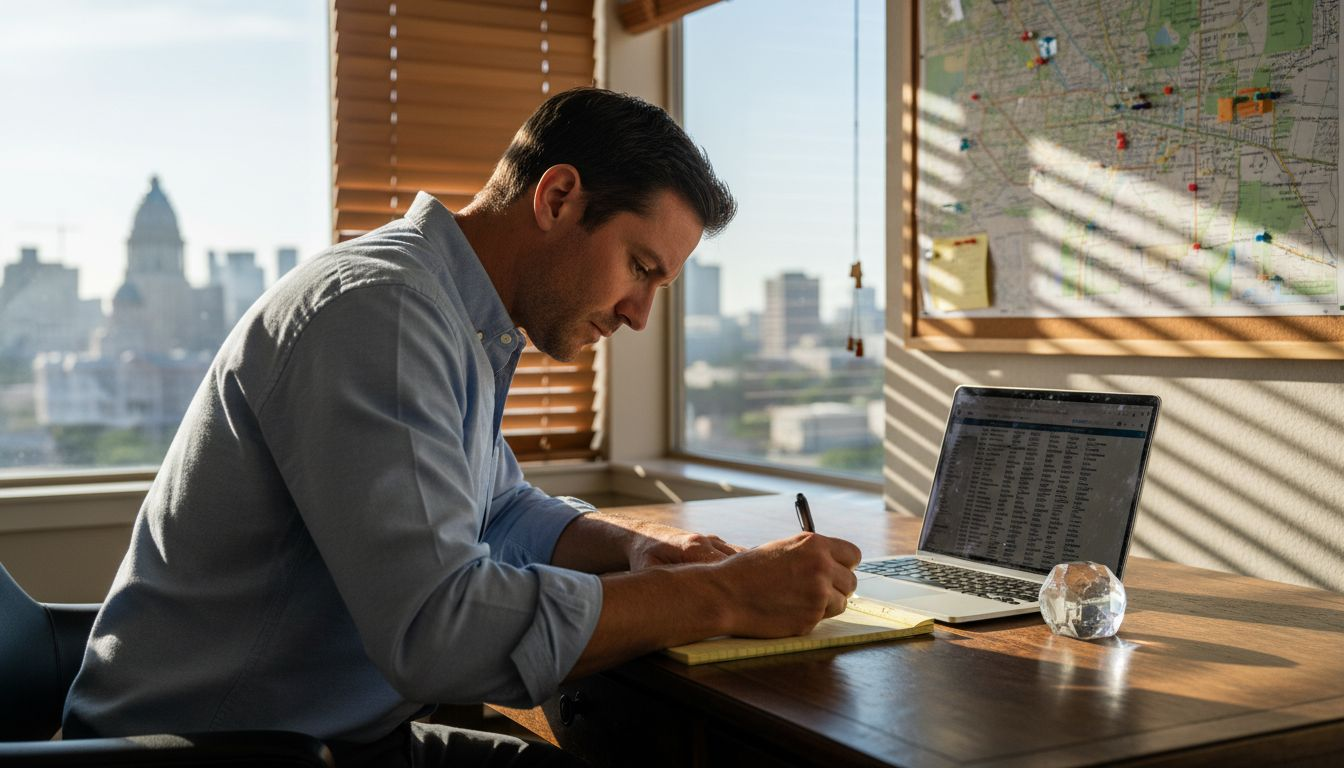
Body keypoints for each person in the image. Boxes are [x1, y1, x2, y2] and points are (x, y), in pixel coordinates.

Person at [62, 87, 862, 767]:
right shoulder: (381, 312)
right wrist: (719, 595)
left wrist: (640, 549)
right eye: (640, 268)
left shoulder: (448, 314)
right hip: (218, 749)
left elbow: (500, 509)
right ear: (557, 198)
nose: (639, 314)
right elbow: (441, 630)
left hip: (327, 733)